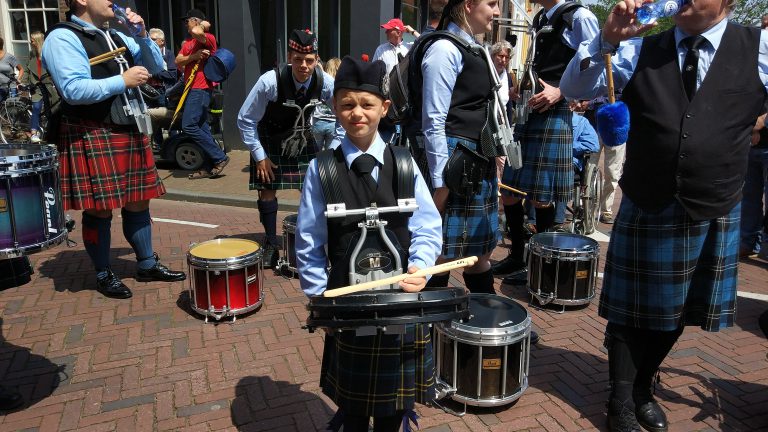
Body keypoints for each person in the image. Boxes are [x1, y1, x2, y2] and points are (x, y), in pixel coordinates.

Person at [560, 0, 768, 429]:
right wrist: (607, 40)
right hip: (648, 196)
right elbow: (574, 89)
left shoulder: (759, 47)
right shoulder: (639, 47)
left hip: (714, 200)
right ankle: (620, 399)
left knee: (679, 309)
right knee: (629, 311)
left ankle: (641, 387)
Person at [295, 56, 442, 432]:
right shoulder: (321, 169)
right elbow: (309, 240)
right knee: (355, 413)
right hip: (347, 306)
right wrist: (319, 298)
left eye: (366, 104)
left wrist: (421, 267)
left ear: (384, 108)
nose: (357, 113)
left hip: (400, 305)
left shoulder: (405, 163)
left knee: (393, 412)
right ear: (334, 107)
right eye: (347, 104)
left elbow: (427, 226)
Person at [43, 0, 186, 299]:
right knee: (99, 207)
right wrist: (122, 80)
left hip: (129, 125)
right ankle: (103, 272)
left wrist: (142, 35)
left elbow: (157, 68)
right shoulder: (63, 37)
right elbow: (73, 89)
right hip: (92, 129)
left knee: (139, 199)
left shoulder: (117, 35)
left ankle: (147, 264)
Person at [494, 0, 599, 275]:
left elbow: (596, 63)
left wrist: (562, 91)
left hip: (555, 111)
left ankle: (539, 264)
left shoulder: (579, 17)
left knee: (541, 197)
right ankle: (518, 256)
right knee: (509, 190)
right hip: (529, 109)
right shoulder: (541, 17)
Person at [420, 0, 503, 295]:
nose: (497, 11)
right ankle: (432, 321)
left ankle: (490, 318)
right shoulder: (444, 49)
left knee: (479, 253)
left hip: (477, 156)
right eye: (491, 3)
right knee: (441, 253)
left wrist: (496, 153)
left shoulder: (476, 49)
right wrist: (441, 183)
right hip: (455, 159)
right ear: (468, 5)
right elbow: (433, 121)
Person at [237, 29, 334, 269]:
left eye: (309, 60)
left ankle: (312, 239)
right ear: (289, 57)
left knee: (314, 190)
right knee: (267, 189)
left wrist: (331, 151)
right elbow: (246, 119)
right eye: (298, 59)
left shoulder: (325, 82)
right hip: (270, 137)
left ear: (317, 59)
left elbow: (342, 116)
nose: (303, 66)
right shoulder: (269, 81)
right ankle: (271, 242)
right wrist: (260, 156)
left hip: (302, 136)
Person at [175, 9, 229, 180]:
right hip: (191, 89)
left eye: (188, 21)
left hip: (201, 88)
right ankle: (208, 165)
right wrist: (194, 56)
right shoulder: (188, 43)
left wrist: (203, 25)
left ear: (196, 21)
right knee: (202, 128)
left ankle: (219, 157)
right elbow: (178, 61)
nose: (186, 24)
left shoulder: (208, 38)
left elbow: (198, 31)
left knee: (189, 126)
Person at [23, 31, 59, 144]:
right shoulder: (32, 54)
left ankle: (50, 132)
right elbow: (27, 69)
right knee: (37, 107)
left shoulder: (48, 53)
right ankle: (33, 133)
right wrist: (23, 82)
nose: (31, 42)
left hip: (48, 84)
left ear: (38, 41)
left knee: (52, 108)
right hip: (36, 85)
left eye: (32, 40)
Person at [741, 107, 767, 258]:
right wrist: (751, 129)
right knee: (748, 199)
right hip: (750, 145)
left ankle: (765, 246)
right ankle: (749, 243)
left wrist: (759, 123)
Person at [310, 57, 340, 151]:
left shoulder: (322, 82)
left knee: (315, 152)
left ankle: (316, 161)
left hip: (318, 121)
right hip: (333, 122)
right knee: (330, 153)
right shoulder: (339, 85)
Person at [0, 37, 23, 101]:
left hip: (11, 88)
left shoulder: (9, 57)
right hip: (0, 88)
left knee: (11, 106)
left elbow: (21, 69)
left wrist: (18, 79)